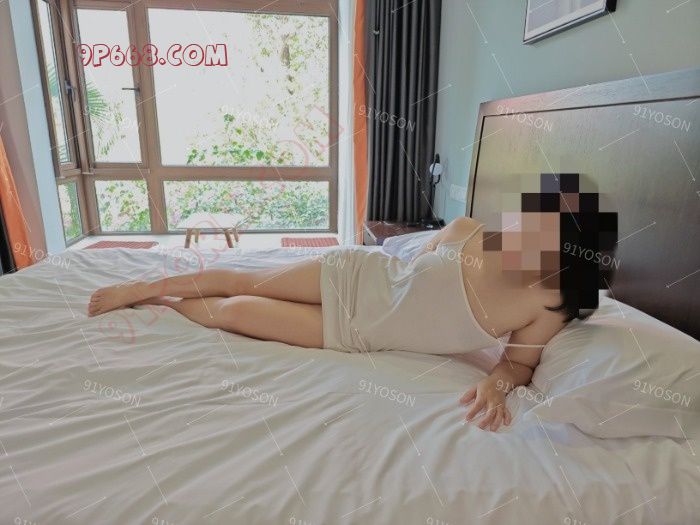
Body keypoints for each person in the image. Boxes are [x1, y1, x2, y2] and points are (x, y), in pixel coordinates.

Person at [88, 173, 617, 432]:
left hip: (356, 334)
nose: (523, 226)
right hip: (352, 276)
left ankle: (167, 304)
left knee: (233, 313)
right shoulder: (468, 230)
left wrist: (495, 386)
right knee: (246, 280)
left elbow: (519, 363)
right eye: (529, 216)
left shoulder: (548, 305)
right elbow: (409, 263)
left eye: (542, 226)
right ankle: (143, 289)